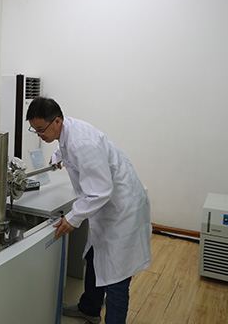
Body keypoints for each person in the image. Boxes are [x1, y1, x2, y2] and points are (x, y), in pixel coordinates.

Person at [25, 96, 151, 324]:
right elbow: (65, 147)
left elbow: (100, 191)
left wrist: (73, 218)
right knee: (94, 257)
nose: (40, 135)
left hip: (122, 211)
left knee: (116, 279)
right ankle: (89, 309)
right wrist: (57, 157)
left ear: (56, 121)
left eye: (41, 130)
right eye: (35, 131)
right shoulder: (68, 130)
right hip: (108, 210)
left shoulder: (81, 142)